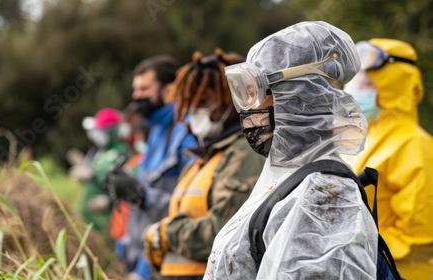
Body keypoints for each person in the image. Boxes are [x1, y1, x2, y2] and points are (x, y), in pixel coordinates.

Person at [204, 21, 378, 279]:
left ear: (301, 95)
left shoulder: (324, 199)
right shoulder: (286, 179)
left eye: (256, 91)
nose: (248, 109)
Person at [142, 49, 265, 280]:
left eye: (204, 101)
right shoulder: (201, 159)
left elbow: (225, 231)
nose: (196, 111)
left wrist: (165, 235)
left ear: (231, 99)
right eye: (192, 103)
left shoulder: (244, 154)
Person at [344, 38, 433, 279]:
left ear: (390, 86)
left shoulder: (415, 144)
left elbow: (419, 236)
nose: (352, 90)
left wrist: (351, 248)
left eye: (365, 83)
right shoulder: (364, 139)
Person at [105, 55, 198, 279]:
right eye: (135, 89)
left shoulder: (186, 134)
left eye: (144, 88)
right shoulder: (156, 129)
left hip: (173, 264)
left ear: (170, 89)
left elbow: (193, 208)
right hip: (146, 259)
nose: (136, 96)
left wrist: (143, 196)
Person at [68, 108, 131, 235]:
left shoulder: (123, 153)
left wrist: (109, 202)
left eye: (100, 130)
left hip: (110, 222)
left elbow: (125, 185)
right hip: (89, 220)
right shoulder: (99, 153)